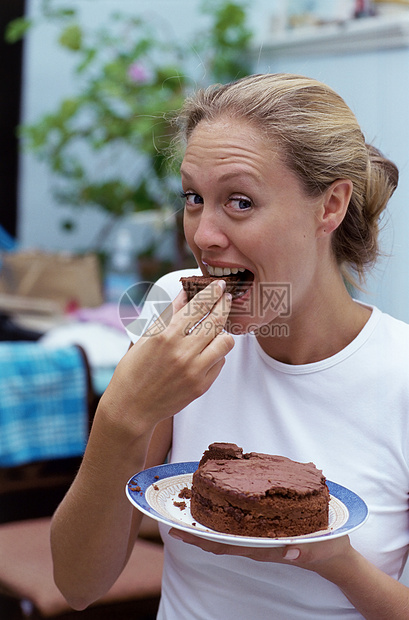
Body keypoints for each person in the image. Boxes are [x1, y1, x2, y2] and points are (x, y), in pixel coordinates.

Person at [50, 73, 409, 619]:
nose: (203, 235)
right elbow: (78, 583)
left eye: (239, 202)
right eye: (194, 198)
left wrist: (334, 560)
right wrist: (122, 414)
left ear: (330, 206)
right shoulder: (176, 312)